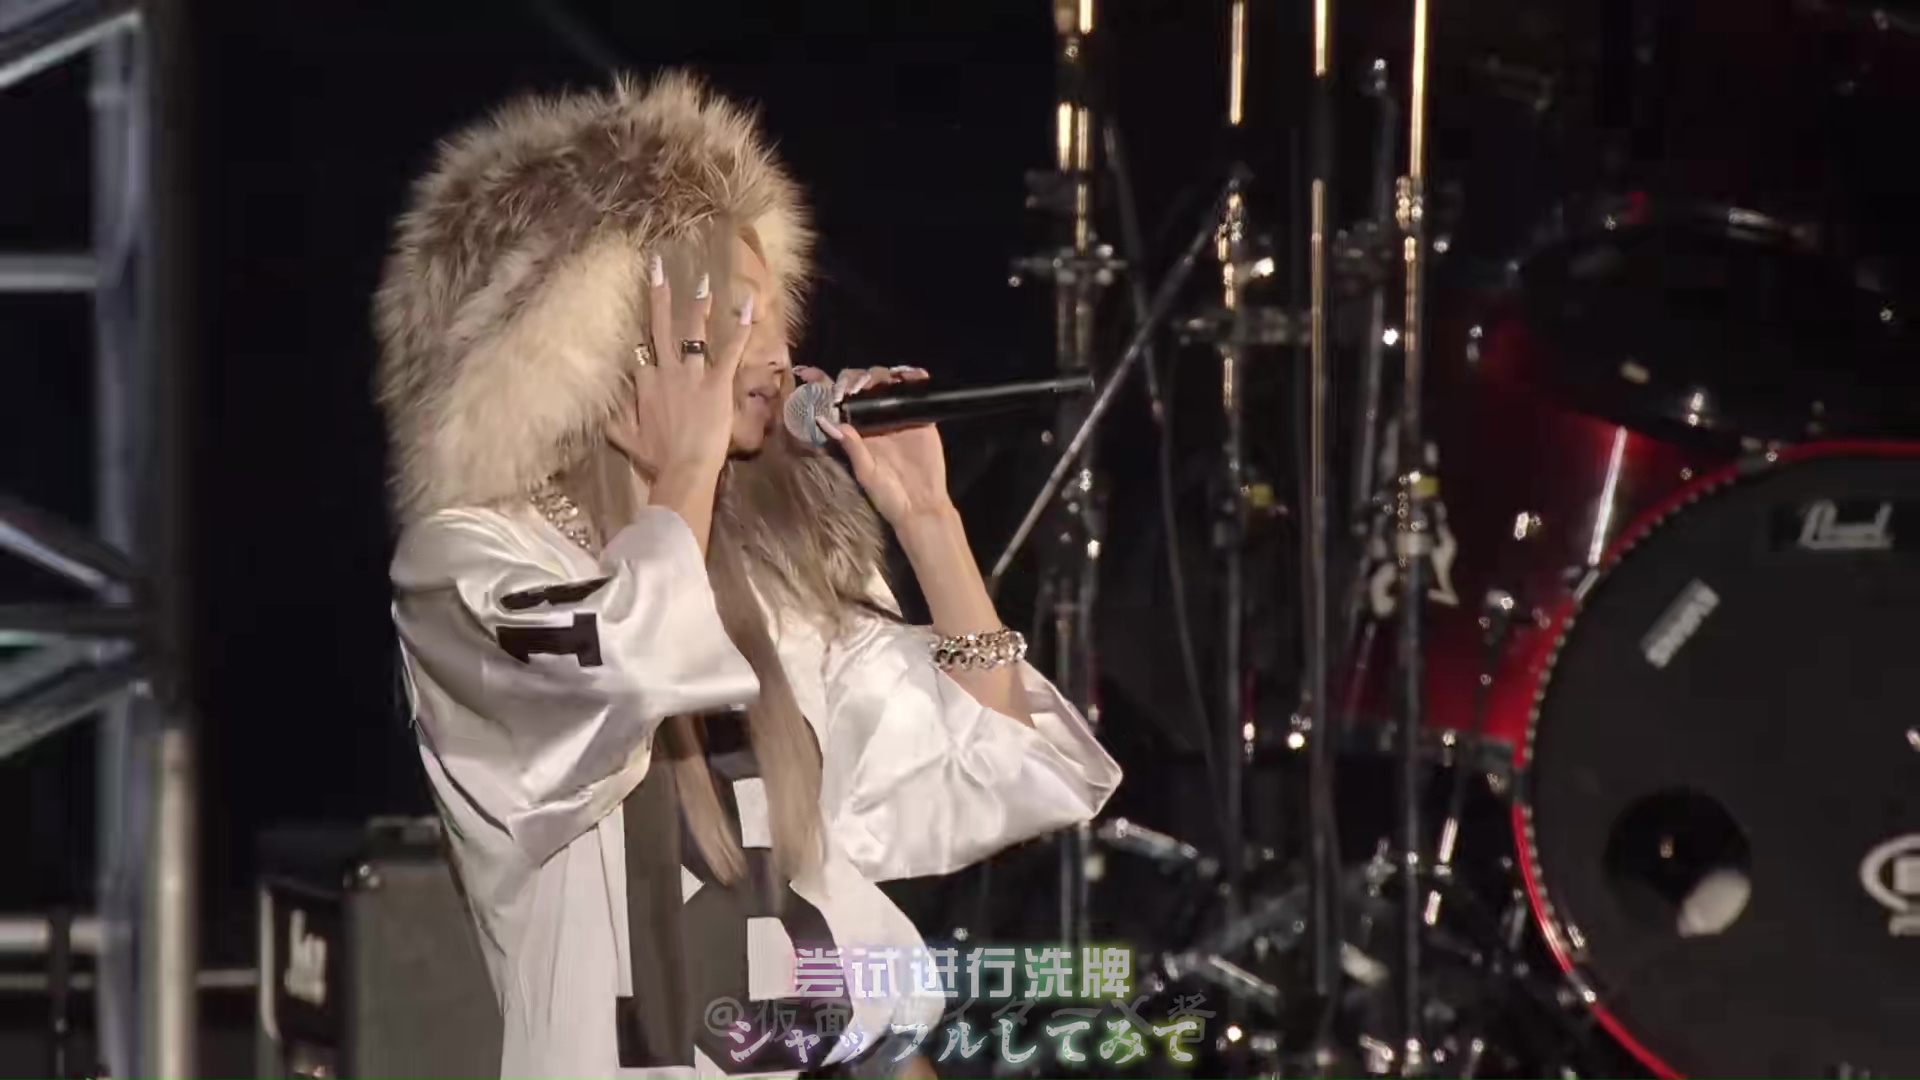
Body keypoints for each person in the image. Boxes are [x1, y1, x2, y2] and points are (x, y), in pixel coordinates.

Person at [374, 72, 1122, 1080]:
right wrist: (687, 463)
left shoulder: (777, 567)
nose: (774, 356)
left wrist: (930, 525)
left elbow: (995, 770)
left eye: (776, 320)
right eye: (731, 322)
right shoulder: (470, 567)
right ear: (605, 353)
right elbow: (631, 661)